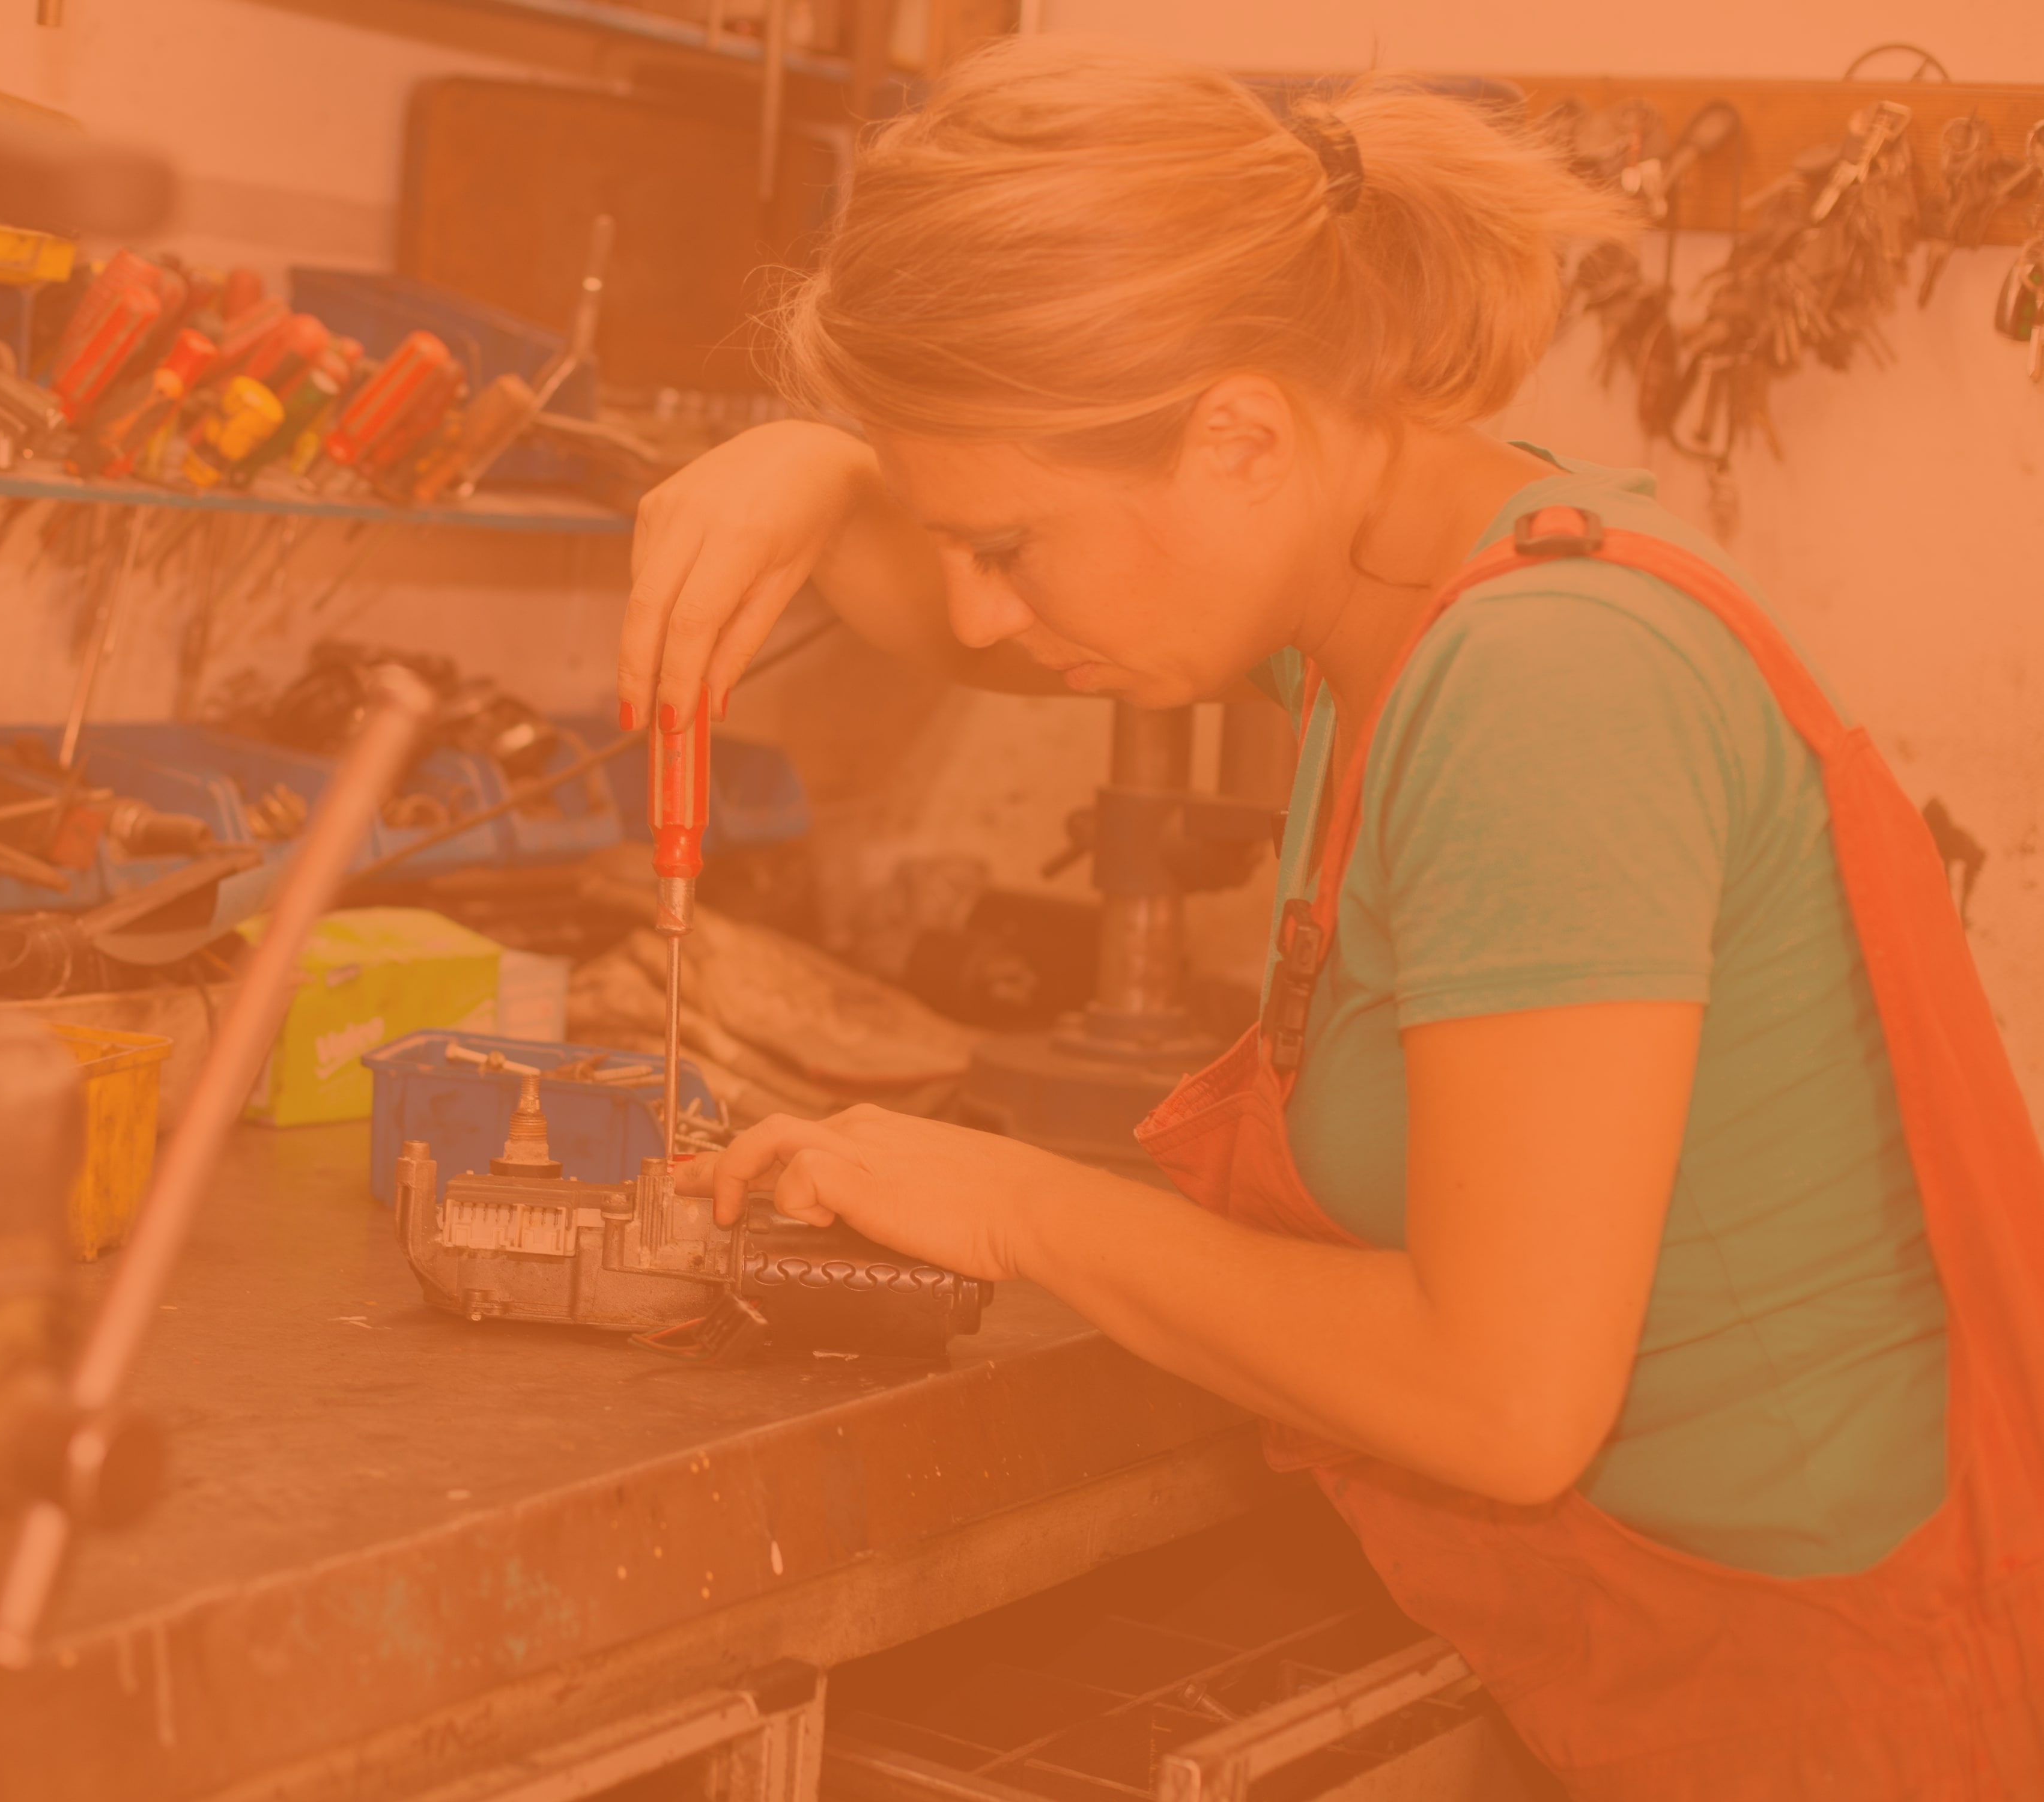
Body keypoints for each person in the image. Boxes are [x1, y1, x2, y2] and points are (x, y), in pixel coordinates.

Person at [615, 40, 2044, 1800]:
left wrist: (1009, 1204)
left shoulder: (1545, 683)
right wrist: (817, 475)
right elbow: (955, 601)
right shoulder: (1392, 565)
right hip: (1676, 1632)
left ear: (1237, 436)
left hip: (1818, 1696)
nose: (983, 617)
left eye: (1011, 542)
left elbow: (1497, 1406)